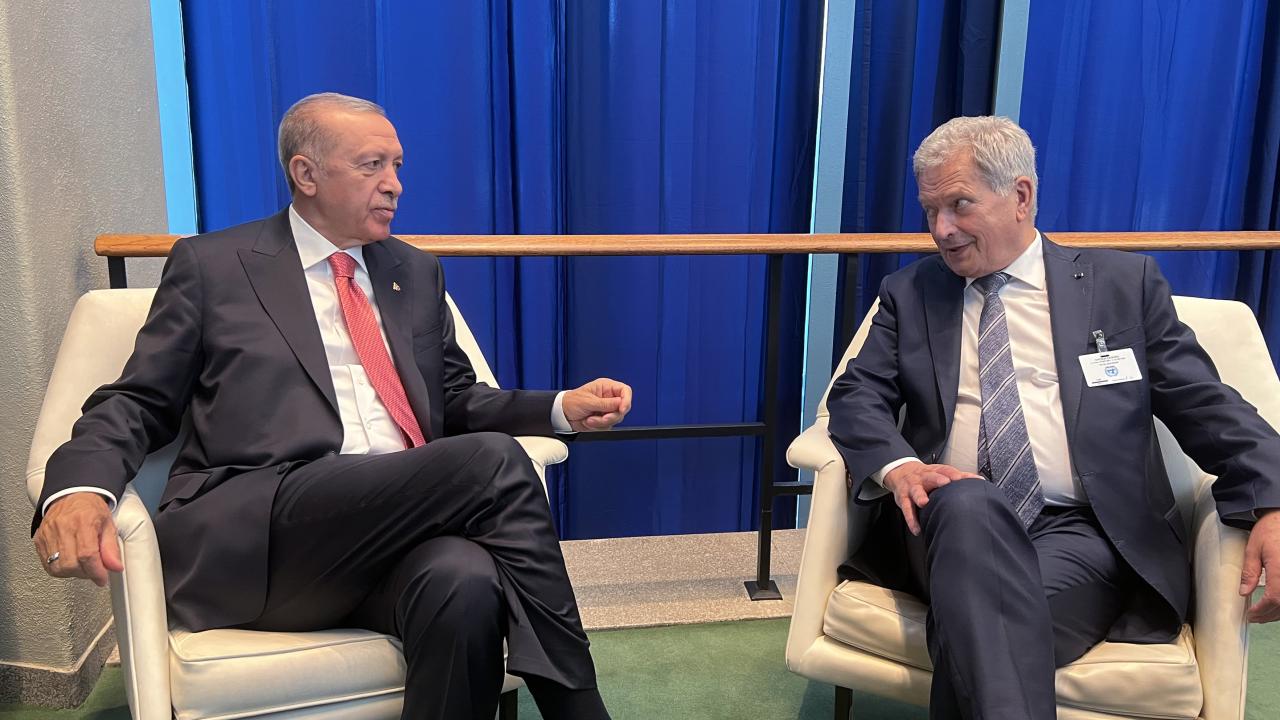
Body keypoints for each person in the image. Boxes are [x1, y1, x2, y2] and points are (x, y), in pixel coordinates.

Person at [32, 92, 630, 720]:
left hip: (386, 532)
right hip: (263, 531)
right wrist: (78, 488)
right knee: (493, 462)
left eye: (397, 166)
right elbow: (140, 399)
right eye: (372, 165)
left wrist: (559, 408)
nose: (394, 184)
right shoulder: (215, 265)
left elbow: (453, 398)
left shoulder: (413, 272)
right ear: (306, 174)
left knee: (464, 582)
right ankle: (579, 709)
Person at [826, 115, 1280, 718]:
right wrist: (900, 467)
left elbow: (1205, 404)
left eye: (959, 205)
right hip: (945, 527)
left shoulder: (1122, 287)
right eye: (930, 210)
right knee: (968, 503)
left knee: (983, 623)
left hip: (1082, 533)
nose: (941, 229)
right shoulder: (910, 294)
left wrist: (1274, 498)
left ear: (1020, 196)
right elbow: (856, 395)